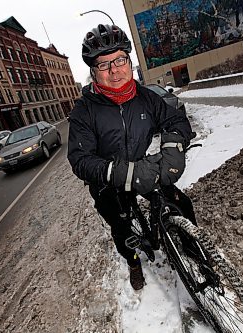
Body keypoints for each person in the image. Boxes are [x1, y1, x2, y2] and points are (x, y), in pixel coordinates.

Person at [67, 24, 196, 291]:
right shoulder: (84, 110)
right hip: (108, 179)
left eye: (119, 60)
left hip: (142, 164)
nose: (114, 71)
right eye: (104, 65)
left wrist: (173, 147)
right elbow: (80, 159)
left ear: (129, 60)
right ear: (93, 72)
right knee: (122, 228)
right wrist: (123, 173)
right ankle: (134, 262)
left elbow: (176, 121)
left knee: (181, 202)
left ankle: (195, 250)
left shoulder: (146, 98)